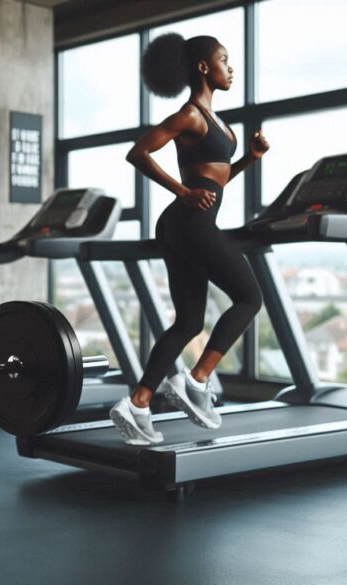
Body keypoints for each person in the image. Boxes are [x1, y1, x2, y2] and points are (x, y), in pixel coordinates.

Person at [109, 33, 270, 445]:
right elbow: (138, 152)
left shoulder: (212, 119)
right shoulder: (190, 115)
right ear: (203, 67)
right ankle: (197, 380)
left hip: (185, 224)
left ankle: (138, 403)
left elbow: (214, 180)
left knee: (189, 322)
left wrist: (249, 158)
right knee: (250, 298)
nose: (231, 67)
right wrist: (183, 192)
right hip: (187, 223)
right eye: (224, 59)